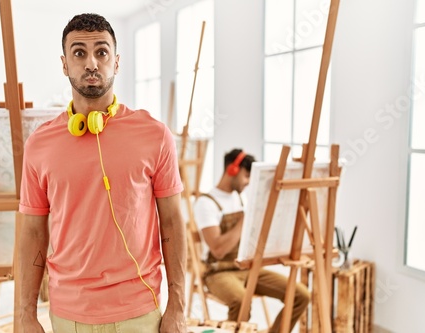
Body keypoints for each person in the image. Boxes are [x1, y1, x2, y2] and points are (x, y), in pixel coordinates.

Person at [17, 13, 187, 333]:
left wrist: (177, 306)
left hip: (140, 311)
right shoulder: (39, 143)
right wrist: (24, 314)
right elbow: (31, 233)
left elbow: (174, 223)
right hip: (69, 314)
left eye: (102, 52)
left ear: (116, 62)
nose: (91, 62)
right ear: (65, 64)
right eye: (79, 52)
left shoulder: (155, 134)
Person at [193, 149, 310, 333]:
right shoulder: (206, 203)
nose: (248, 182)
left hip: (246, 267)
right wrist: (246, 218)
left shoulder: (240, 198)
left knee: (301, 295)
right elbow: (218, 249)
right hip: (219, 272)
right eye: (246, 176)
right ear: (232, 170)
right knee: (241, 301)